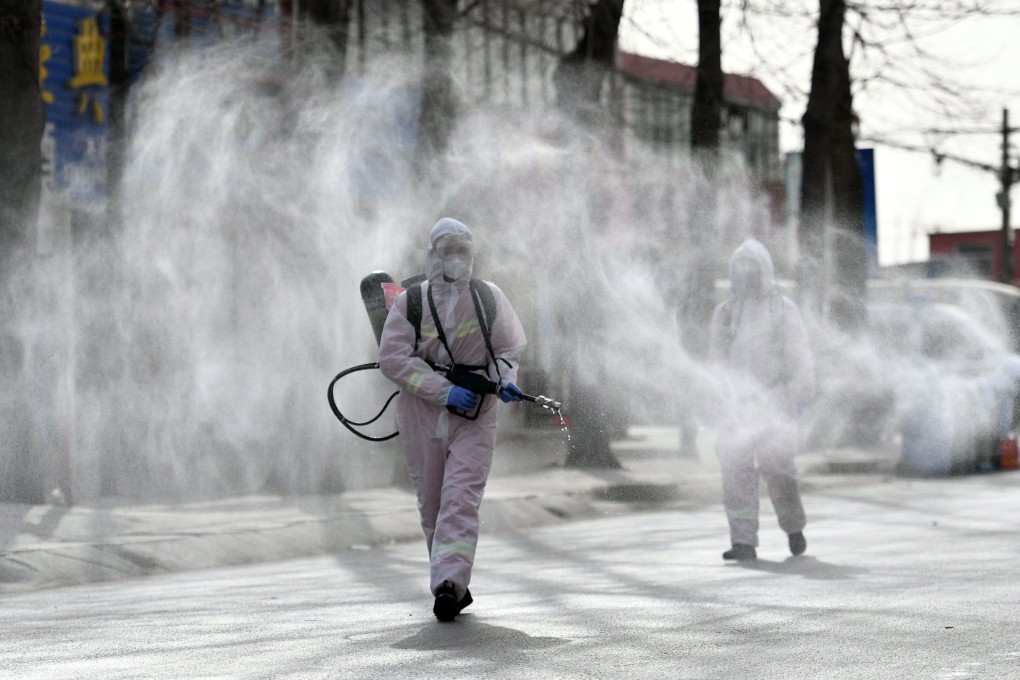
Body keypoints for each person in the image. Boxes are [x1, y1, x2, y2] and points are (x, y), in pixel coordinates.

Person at [378, 217, 527, 621]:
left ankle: (448, 585)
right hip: (421, 414)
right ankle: (450, 576)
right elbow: (392, 359)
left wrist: (505, 380)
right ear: (433, 253)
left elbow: (508, 347)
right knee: (433, 506)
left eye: (464, 249)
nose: (458, 258)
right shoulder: (409, 302)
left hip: (476, 413)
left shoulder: (489, 297)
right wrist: (442, 391)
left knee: (460, 499)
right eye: (450, 250)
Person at [708, 238, 815, 561]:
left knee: (778, 469)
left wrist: (802, 396)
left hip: (776, 402)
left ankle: (793, 527)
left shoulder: (783, 310)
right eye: (740, 270)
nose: (746, 277)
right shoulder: (725, 314)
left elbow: (801, 358)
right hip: (736, 407)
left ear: (765, 271)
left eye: (752, 270)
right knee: (736, 471)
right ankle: (743, 541)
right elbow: (715, 362)